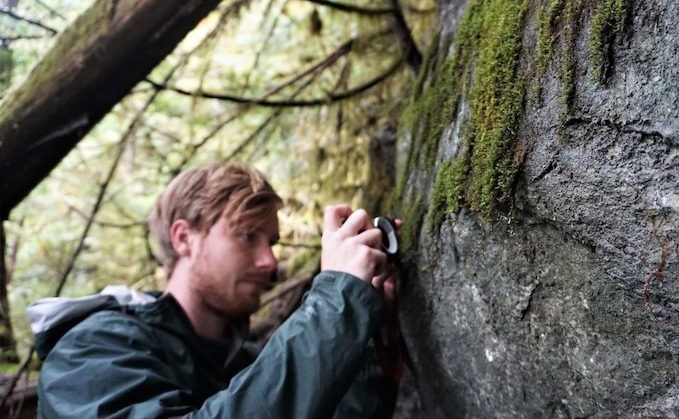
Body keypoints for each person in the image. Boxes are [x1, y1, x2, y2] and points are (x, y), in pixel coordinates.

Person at [31, 163, 402, 418]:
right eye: (247, 237)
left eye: (271, 241)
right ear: (183, 238)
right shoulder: (89, 349)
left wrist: (366, 348)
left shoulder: (248, 363)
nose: (269, 261)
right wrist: (336, 301)